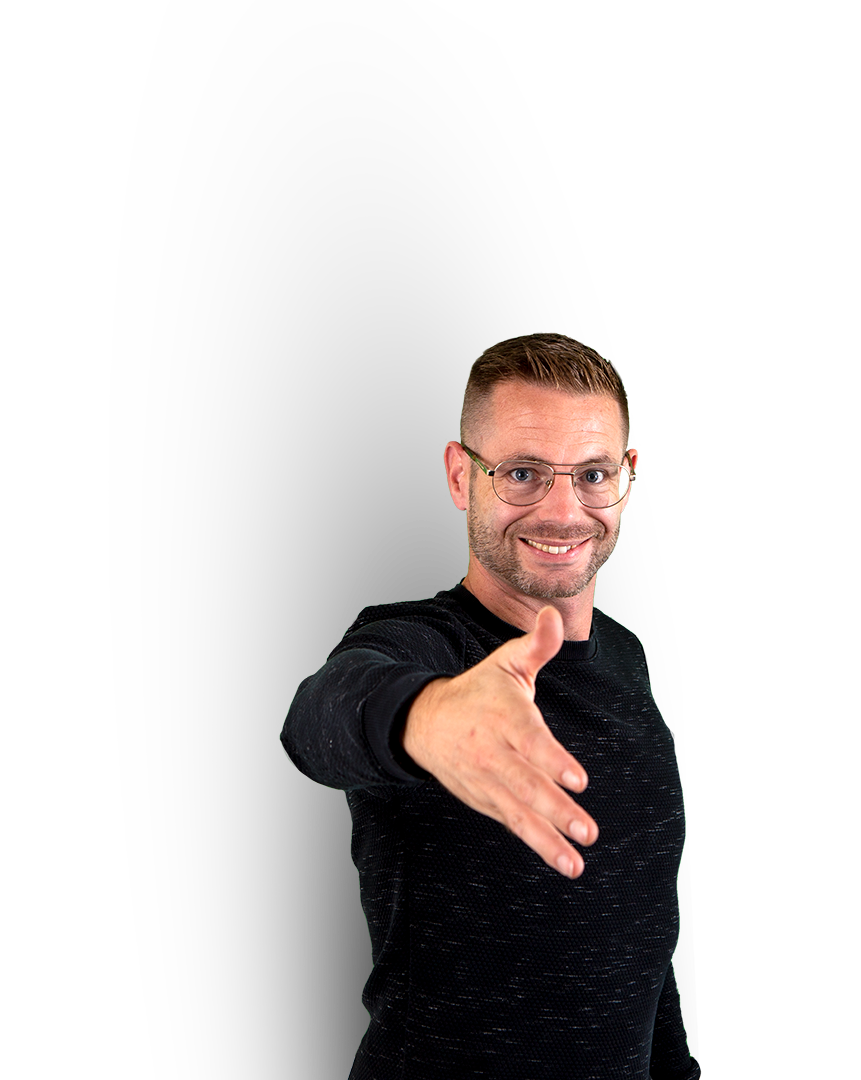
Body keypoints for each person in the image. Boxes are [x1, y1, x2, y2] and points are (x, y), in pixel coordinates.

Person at [280, 332, 703, 1079]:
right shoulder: (426, 645)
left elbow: (639, 933)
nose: (564, 511)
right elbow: (320, 715)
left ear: (627, 478)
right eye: (522, 474)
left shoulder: (627, 653)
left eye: (593, 474)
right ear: (459, 476)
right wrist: (426, 716)